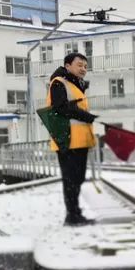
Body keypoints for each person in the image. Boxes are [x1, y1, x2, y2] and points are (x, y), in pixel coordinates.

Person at [46, 52, 97, 226]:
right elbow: (60, 108)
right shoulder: (59, 83)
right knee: (71, 179)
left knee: (77, 178)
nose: (83, 69)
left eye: (85, 66)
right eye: (79, 65)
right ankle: (72, 216)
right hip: (67, 139)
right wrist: (86, 116)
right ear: (67, 66)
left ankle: (75, 214)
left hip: (80, 140)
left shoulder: (77, 86)